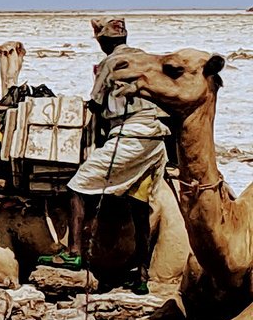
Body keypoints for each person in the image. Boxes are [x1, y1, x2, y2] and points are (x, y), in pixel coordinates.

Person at [37, 17, 169, 292]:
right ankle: (142, 274)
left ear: (104, 41)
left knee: (77, 186)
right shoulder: (146, 59)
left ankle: (73, 252)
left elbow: (97, 103)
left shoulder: (110, 63)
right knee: (139, 204)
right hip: (156, 139)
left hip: (130, 135)